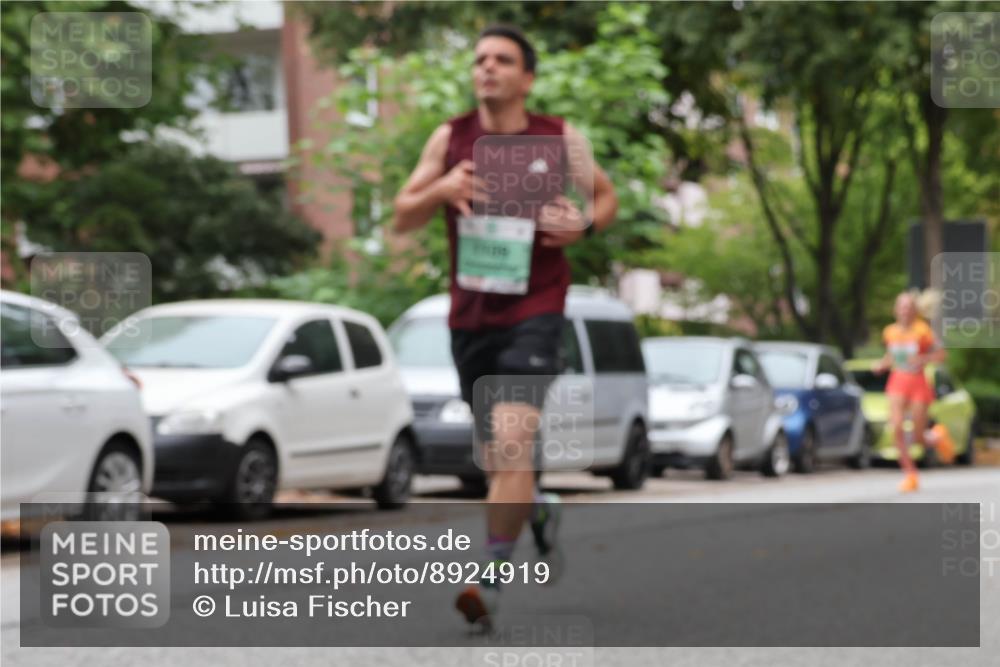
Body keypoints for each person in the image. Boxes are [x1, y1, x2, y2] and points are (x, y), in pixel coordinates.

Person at [392, 25, 617, 627]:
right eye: (480, 60)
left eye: (502, 60)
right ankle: (538, 505)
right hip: (470, 317)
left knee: (513, 444)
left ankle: (487, 581)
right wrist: (440, 187)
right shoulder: (451, 137)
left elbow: (605, 196)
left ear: (527, 77)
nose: (487, 68)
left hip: (536, 309)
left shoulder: (559, 136)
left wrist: (584, 224)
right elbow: (401, 216)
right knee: (500, 463)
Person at [872, 291, 947, 492]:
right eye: (902, 307)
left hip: (918, 384)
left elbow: (941, 354)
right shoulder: (889, 332)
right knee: (896, 427)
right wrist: (881, 365)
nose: (905, 311)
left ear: (914, 311)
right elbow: (891, 357)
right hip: (897, 382)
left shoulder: (923, 331)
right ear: (896, 310)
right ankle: (910, 474)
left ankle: (937, 437)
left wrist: (922, 359)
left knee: (918, 437)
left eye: (908, 307)